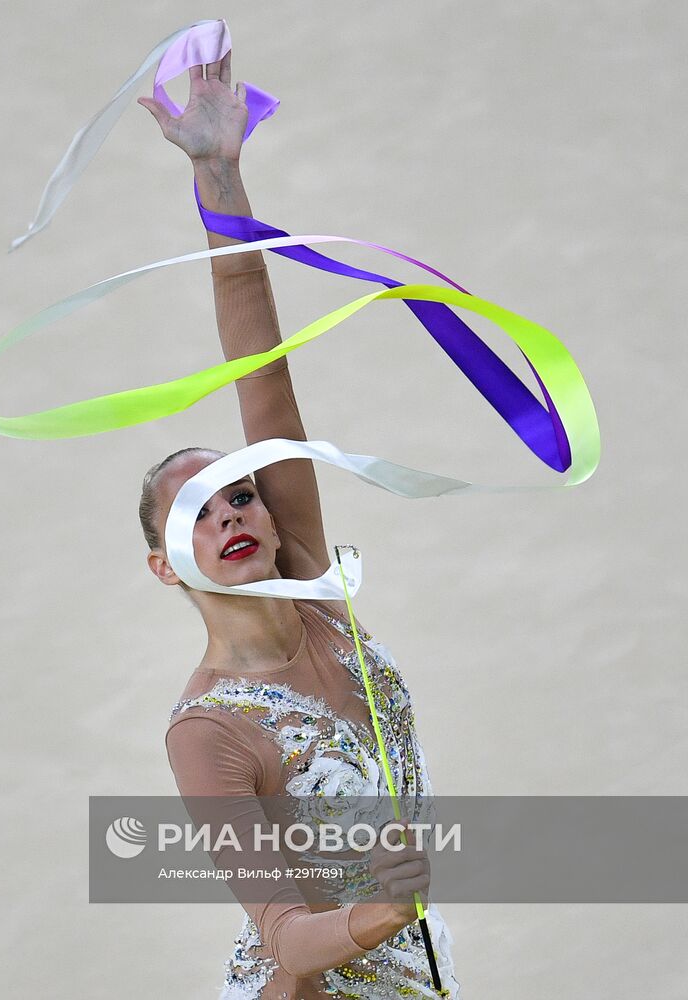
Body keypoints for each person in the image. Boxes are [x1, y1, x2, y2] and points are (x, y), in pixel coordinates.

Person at [137, 47, 461, 999]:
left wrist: (219, 173)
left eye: (240, 493)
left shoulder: (319, 590)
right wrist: (384, 913)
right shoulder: (207, 733)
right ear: (166, 567)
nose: (230, 511)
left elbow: (261, 372)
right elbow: (284, 939)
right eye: (197, 512)